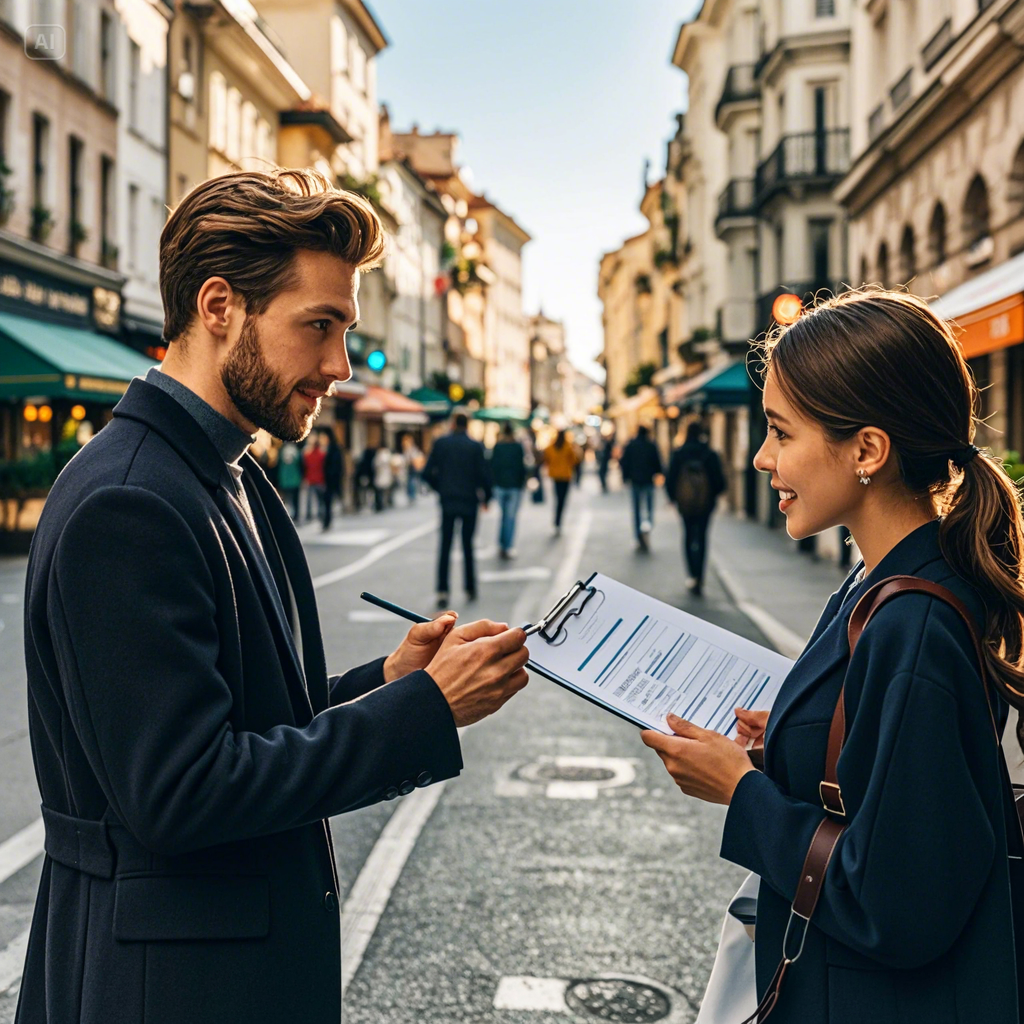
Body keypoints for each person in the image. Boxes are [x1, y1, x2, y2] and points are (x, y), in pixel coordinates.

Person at [17, 168, 530, 1024]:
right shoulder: (132, 500)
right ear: (220, 307)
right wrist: (424, 713)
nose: (339, 364)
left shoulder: (226, 470)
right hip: (163, 988)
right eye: (318, 327)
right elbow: (181, 792)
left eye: (346, 329)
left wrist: (389, 684)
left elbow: (240, 722)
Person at [642, 289, 1024, 1023]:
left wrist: (741, 792)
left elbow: (899, 904)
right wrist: (783, 751)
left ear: (868, 450)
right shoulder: (883, 579)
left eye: (781, 433)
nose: (760, 458)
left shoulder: (912, 622)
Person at [423, 412, 492, 608]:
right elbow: (484, 475)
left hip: (448, 500)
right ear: (467, 425)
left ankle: (442, 590)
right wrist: (486, 497)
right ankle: (470, 587)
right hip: (469, 500)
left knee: (445, 545)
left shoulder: (441, 444)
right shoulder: (475, 446)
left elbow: (427, 473)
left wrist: (441, 488)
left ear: (453, 424)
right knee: (467, 545)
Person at [665, 421, 726, 595]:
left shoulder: (679, 453)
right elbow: (720, 483)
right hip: (706, 505)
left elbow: (671, 479)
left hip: (685, 504)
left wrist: (674, 498)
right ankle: (700, 576)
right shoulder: (709, 453)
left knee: (688, 535)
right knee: (702, 537)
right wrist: (712, 495)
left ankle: (691, 574)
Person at [619, 424, 664, 551]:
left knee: (637, 510)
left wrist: (625, 477)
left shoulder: (631, 445)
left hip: (635, 481)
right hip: (648, 481)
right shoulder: (651, 445)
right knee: (649, 509)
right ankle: (647, 527)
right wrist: (659, 473)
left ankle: (638, 535)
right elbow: (658, 462)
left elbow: (624, 462)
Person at [490, 421, 527, 559]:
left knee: (504, 516)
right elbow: (521, 467)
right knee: (510, 518)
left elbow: (493, 466)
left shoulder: (498, 447)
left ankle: (503, 544)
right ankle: (507, 545)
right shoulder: (517, 447)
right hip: (513, 487)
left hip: (500, 485)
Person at [543, 429, 580, 535]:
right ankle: (559, 521)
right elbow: (574, 460)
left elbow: (546, 459)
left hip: (555, 476)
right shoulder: (568, 447)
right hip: (565, 476)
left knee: (557, 498)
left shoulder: (551, 447)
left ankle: (557, 520)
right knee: (562, 500)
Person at [302, 432, 326, 522]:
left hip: (310, 479)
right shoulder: (322, 455)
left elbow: (304, 467)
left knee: (309, 499)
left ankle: (309, 515)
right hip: (320, 479)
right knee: (320, 500)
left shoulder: (307, 455)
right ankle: (321, 515)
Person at [322, 429, 344, 530]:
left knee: (328, 501)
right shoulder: (328, 448)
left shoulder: (333, 449)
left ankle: (327, 521)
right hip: (326, 479)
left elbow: (336, 466)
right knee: (326, 502)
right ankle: (326, 521)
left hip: (330, 480)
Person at [277, 440, 302, 521]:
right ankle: (295, 515)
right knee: (294, 500)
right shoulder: (296, 452)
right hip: (293, 479)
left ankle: (289, 515)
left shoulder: (282, 451)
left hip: (287, 479)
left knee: (288, 499)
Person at [402, 432, 425, 504]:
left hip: (412, 466)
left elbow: (411, 458)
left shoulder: (411, 449)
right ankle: (411, 495)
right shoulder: (410, 449)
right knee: (411, 481)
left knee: (411, 481)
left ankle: (412, 495)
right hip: (411, 466)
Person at [372, 443, 393, 512]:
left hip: (381, 475)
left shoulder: (381, 455)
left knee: (380, 490)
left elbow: (376, 464)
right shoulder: (388, 454)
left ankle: (381, 504)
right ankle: (384, 503)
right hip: (384, 475)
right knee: (384, 490)